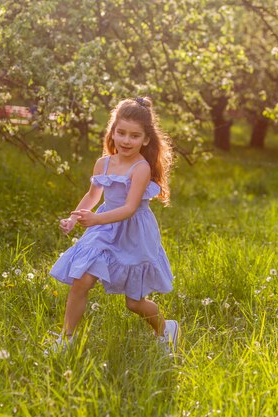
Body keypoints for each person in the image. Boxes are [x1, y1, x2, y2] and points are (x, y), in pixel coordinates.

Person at [48, 97, 179, 353]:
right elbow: (93, 196)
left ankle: (166, 329)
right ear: (112, 132)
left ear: (146, 139)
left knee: (134, 302)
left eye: (134, 135)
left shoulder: (141, 168)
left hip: (133, 233)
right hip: (105, 229)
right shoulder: (104, 163)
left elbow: (129, 208)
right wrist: (75, 217)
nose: (126, 141)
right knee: (81, 281)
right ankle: (65, 340)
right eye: (121, 133)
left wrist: (95, 219)